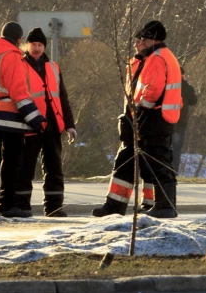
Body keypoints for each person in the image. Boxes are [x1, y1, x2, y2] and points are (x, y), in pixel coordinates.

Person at [0, 21, 46, 218]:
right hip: (11, 115)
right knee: (11, 160)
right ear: (19, 39)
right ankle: (7, 204)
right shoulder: (12, 57)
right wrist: (35, 119)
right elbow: (19, 92)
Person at [15, 28, 77, 217]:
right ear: (27, 45)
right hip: (30, 125)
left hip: (53, 125)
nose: (36, 48)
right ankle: (23, 206)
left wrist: (69, 125)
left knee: (54, 168)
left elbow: (63, 98)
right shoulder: (20, 65)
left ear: (44, 47)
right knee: (25, 168)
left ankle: (54, 207)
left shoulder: (53, 67)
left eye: (40, 45)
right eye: (33, 44)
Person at [92, 37, 155, 217]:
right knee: (124, 163)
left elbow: (151, 94)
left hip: (147, 123)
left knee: (148, 167)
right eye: (136, 41)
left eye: (141, 41)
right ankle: (115, 207)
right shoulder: (135, 63)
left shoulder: (153, 62)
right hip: (133, 122)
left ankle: (149, 208)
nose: (136, 44)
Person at [131, 21, 182, 218]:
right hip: (165, 117)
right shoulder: (166, 56)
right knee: (162, 162)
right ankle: (164, 204)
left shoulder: (156, 58)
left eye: (142, 39)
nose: (140, 42)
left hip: (155, 118)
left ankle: (164, 206)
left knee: (159, 162)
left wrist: (139, 106)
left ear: (151, 39)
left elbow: (152, 90)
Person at [172, 67, 197, 174]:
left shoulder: (168, 86)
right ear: (182, 75)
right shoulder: (187, 88)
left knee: (165, 148)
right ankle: (173, 172)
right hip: (181, 123)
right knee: (176, 150)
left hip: (167, 121)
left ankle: (164, 172)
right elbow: (193, 101)